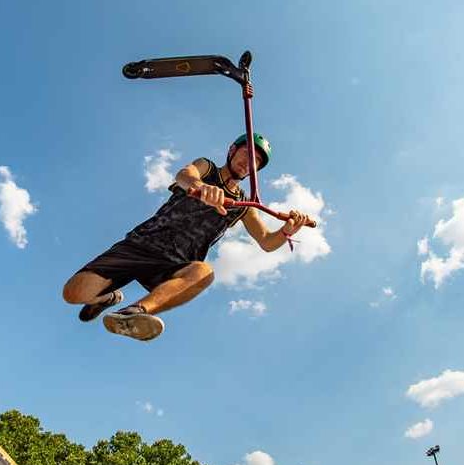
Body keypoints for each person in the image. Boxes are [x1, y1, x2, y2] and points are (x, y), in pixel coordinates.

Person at [62, 133, 310, 341]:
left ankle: (134, 313)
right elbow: (184, 175)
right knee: (73, 294)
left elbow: (266, 241)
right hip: (141, 243)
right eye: (247, 154)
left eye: (256, 162)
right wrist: (200, 186)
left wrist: (287, 230)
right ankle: (108, 298)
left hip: (174, 264)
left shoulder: (244, 205)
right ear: (232, 151)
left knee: (204, 272)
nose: (249, 163)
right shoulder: (207, 167)